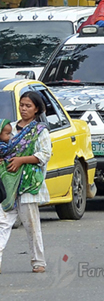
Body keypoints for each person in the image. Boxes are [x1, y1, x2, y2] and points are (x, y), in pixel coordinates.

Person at [0, 92, 51, 273]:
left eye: (28, 106)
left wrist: (21, 160)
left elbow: (44, 155)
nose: (23, 109)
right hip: (8, 183)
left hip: (28, 184)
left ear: (36, 109)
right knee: (3, 223)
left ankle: (38, 261)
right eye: (21, 105)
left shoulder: (40, 131)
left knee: (31, 224)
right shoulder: (10, 128)